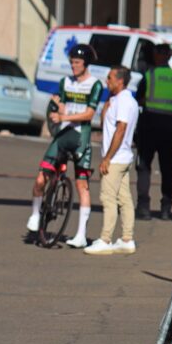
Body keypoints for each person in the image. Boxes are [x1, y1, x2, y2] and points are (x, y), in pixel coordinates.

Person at [26, 44, 103, 249]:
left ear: (86, 64)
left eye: (77, 63)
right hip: (63, 134)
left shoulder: (95, 84)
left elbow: (88, 114)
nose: (73, 66)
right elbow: (62, 106)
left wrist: (64, 115)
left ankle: (81, 234)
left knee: (81, 185)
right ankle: (35, 215)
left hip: (81, 137)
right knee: (41, 177)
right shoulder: (65, 82)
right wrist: (55, 110)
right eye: (71, 63)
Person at [84, 65, 139, 256]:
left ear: (120, 81)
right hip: (123, 157)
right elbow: (105, 126)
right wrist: (106, 107)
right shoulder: (119, 100)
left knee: (107, 198)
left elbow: (121, 129)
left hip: (116, 158)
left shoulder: (123, 101)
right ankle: (126, 239)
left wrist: (107, 158)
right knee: (124, 198)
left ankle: (105, 239)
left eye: (110, 78)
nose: (106, 81)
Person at [135, 43, 172, 220]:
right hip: (170, 127)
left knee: (144, 167)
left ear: (156, 55)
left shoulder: (149, 75)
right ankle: (166, 207)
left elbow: (139, 99)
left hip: (149, 125)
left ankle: (143, 207)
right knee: (167, 169)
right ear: (170, 56)